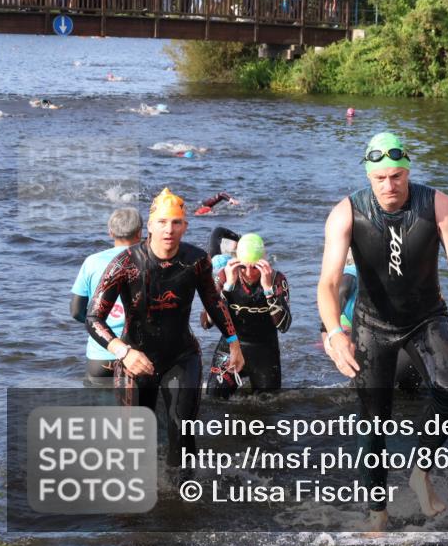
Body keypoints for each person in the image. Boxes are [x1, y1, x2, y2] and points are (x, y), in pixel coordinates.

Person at [317, 132, 448, 531]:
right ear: (369, 177)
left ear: (408, 172)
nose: (390, 185)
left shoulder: (439, 206)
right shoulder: (345, 213)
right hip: (372, 327)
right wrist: (334, 332)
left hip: (426, 318)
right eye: (381, 178)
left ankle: (420, 471)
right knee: (372, 423)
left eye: (397, 176)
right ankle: (377, 513)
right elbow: (329, 283)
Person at [85, 188, 243, 467]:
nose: (169, 229)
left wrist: (233, 342)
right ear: (149, 225)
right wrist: (123, 352)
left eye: (176, 222)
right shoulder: (125, 263)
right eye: (162, 222)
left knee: (183, 432)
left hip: (182, 356)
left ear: (185, 226)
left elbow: (214, 301)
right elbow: (93, 317)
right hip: (135, 358)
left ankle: (183, 497)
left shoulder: (196, 260)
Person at [202, 234, 290, 398]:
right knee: (213, 400)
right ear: (236, 261)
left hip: (264, 352)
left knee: (269, 407)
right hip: (230, 349)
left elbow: (284, 326)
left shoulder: (277, 279)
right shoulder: (223, 276)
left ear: (264, 261)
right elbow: (206, 323)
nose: (249, 273)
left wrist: (268, 290)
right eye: (243, 267)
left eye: (255, 267)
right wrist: (227, 287)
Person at [70, 208, 143, 386]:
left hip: (100, 356)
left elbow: (76, 311)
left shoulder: (92, 262)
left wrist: (100, 326)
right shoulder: (148, 260)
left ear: (110, 232)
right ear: (141, 232)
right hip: (139, 356)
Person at [334, 250, 421, 391]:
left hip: (400, 347)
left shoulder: (353, 271)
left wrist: (330, 332)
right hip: (416, 349)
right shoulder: (392, 276)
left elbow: (343, 289)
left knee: (358, 394)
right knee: (409, 400)